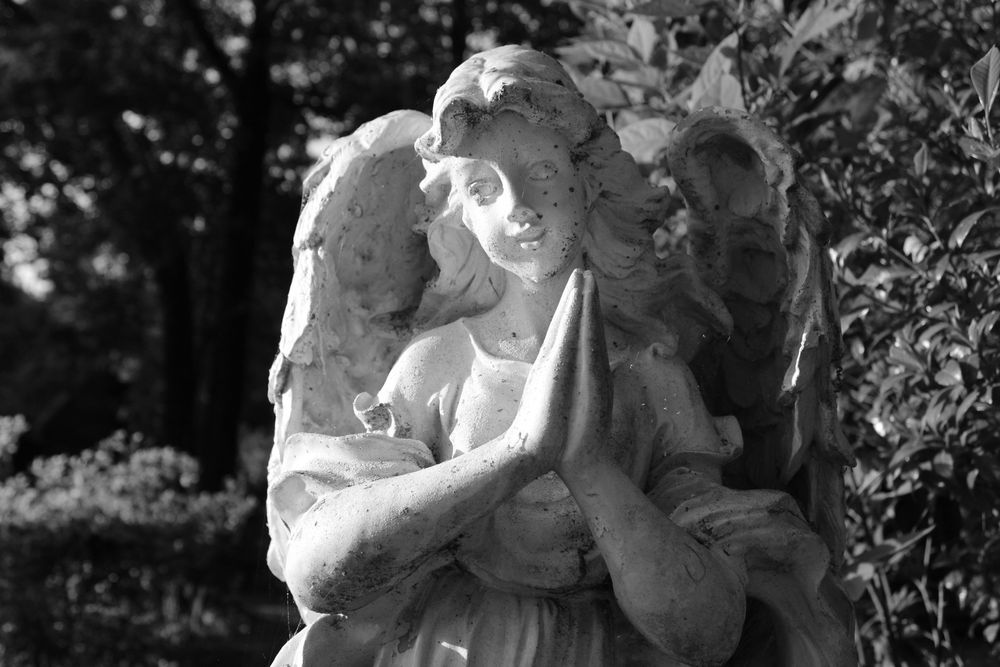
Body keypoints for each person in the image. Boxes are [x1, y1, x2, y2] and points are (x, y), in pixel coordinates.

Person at [271, 45, 846, 667]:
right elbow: (320, 572)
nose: (516, 205)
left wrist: (592, 469)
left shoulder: (653, 376)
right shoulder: (437, 365)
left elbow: (707, 629)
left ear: (588, 181)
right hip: (459, 647)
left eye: (541, 174)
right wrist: (519, 452)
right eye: (482, 187)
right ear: (457, 211)